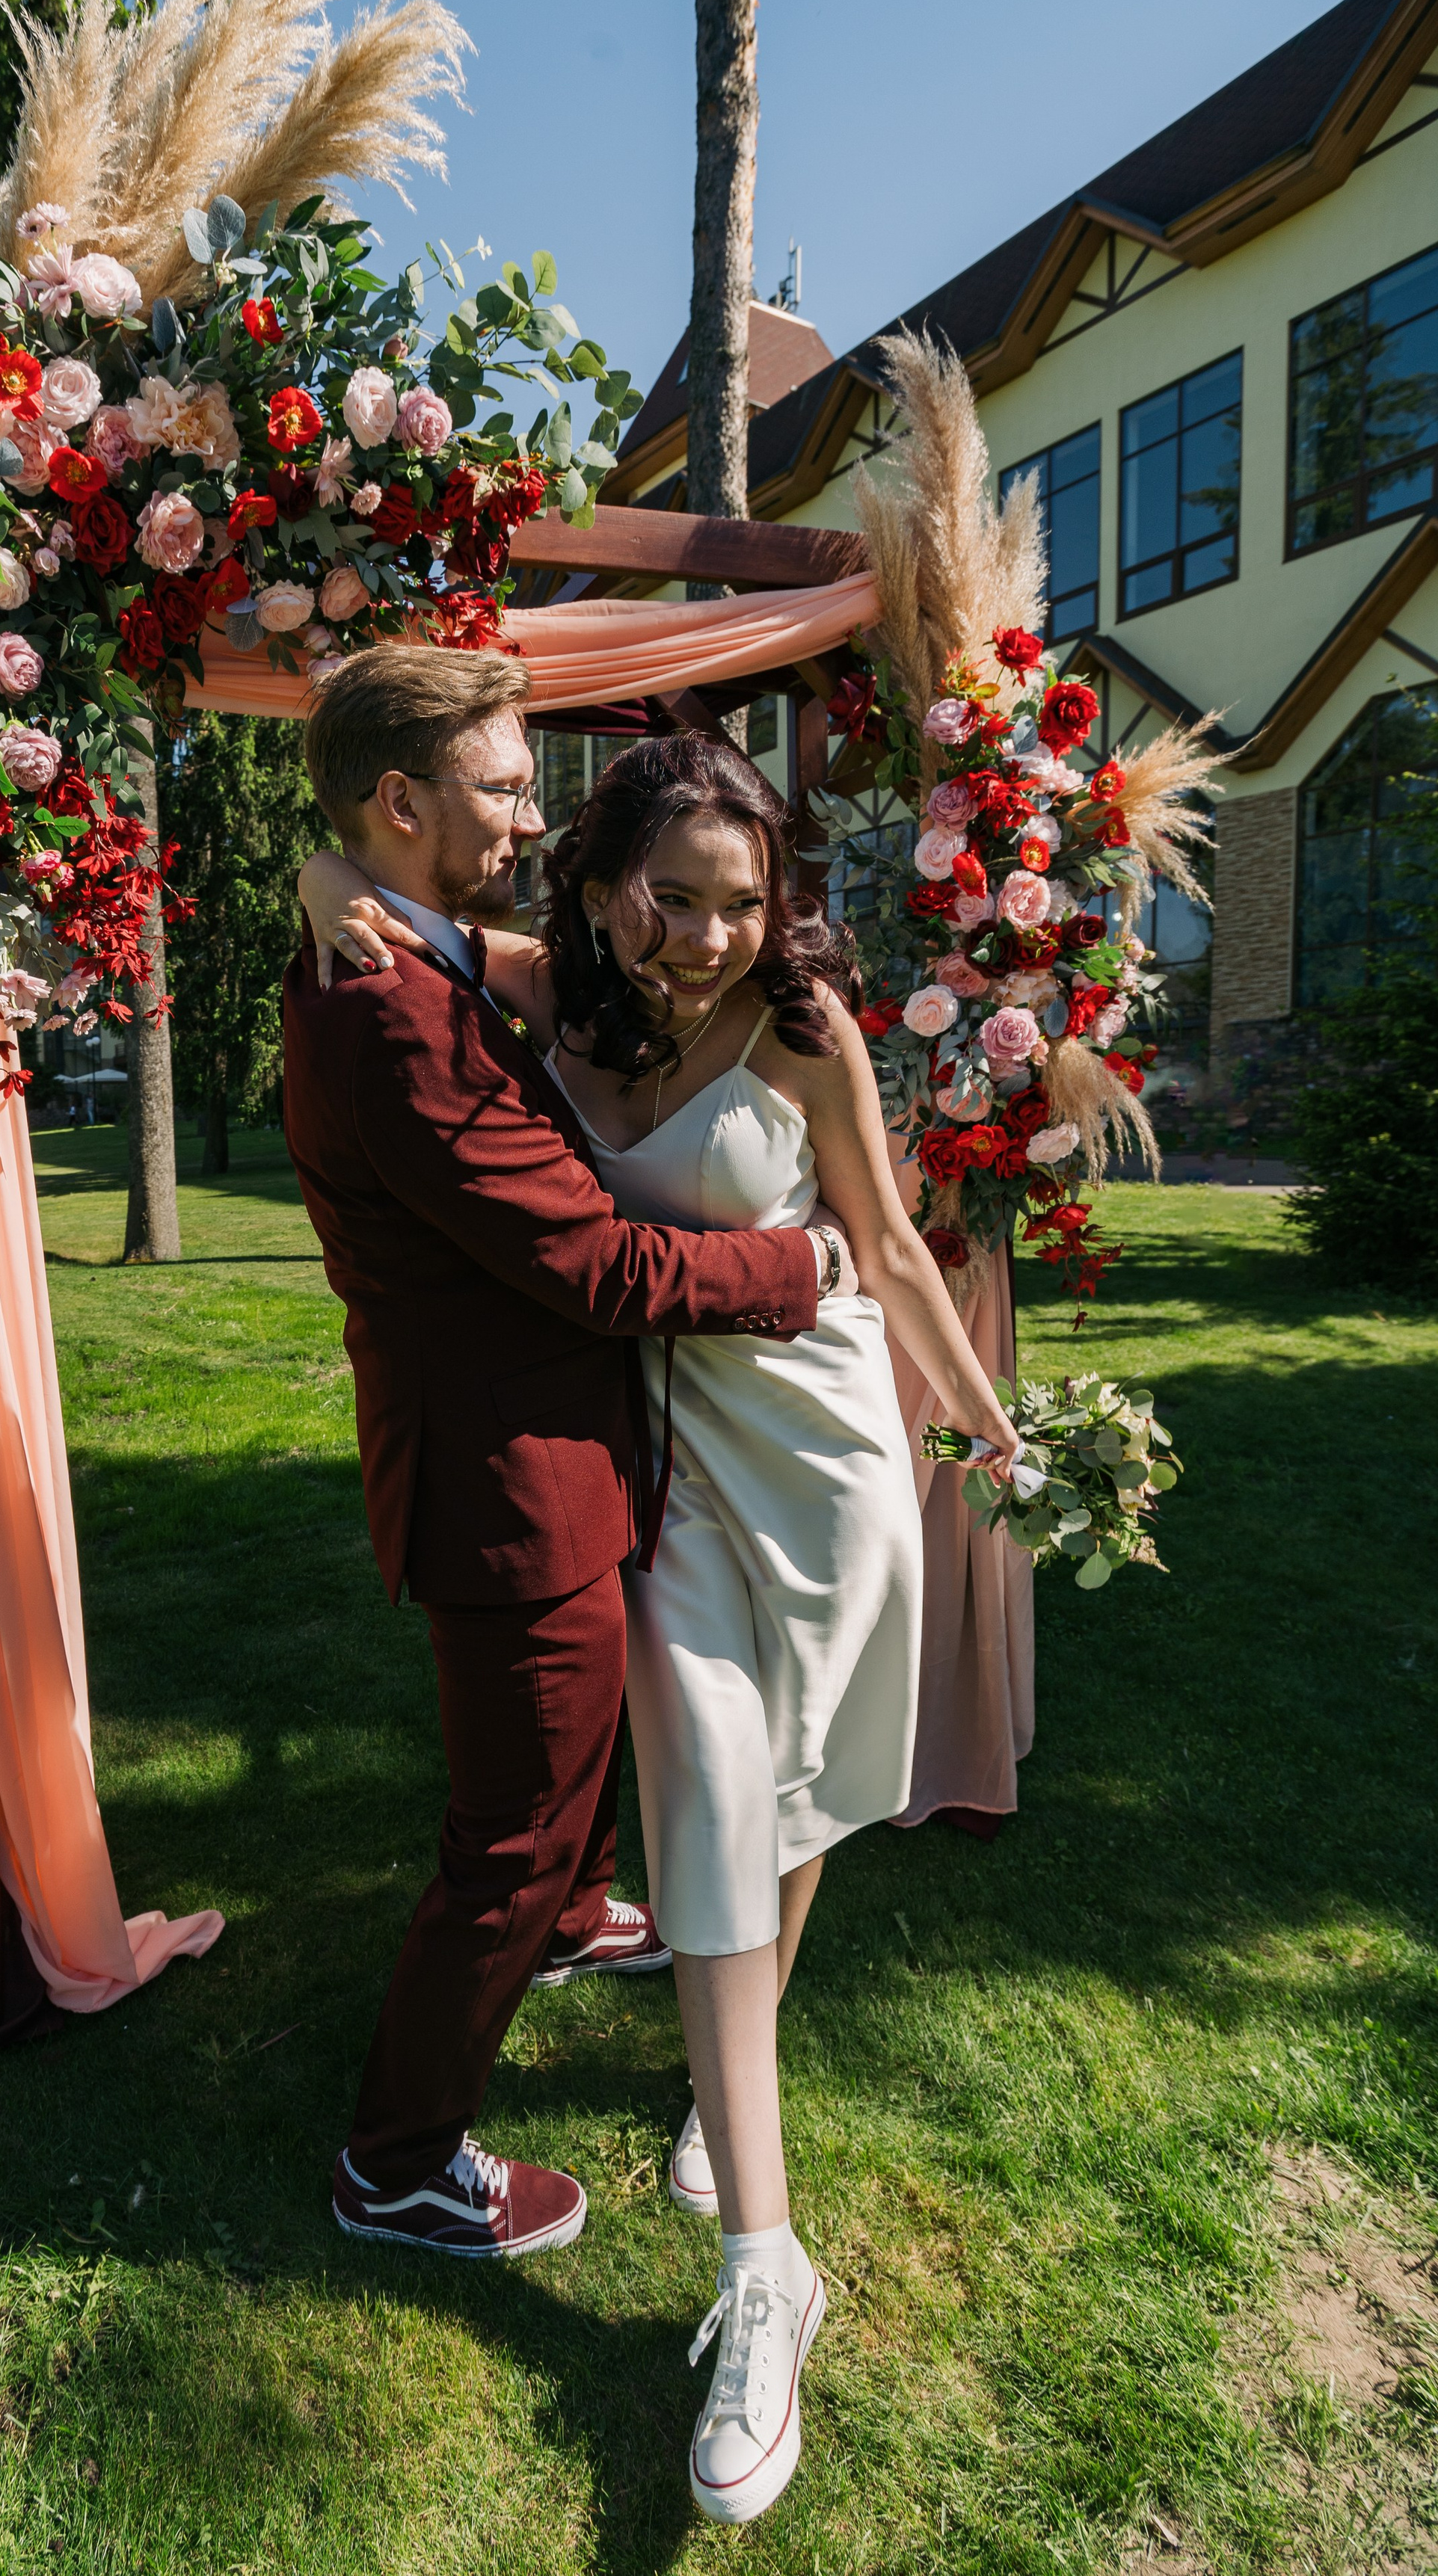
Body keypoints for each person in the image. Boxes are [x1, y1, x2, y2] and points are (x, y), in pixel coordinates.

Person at [301, 728, 1016, 2529]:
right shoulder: (559, 992)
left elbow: (891, 1247)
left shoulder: (800, 1026)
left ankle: (735, 2073)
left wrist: (988, 1434)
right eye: (671, 897)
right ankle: (764, 2275)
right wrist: (312, 879)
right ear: (611, 887)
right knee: (706, 1793)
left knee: (796, 1792)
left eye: (738, 901)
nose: (702, 936)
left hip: (826, 1445)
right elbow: (397, 923)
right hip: (676, 1476)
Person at [281, 647, 836, 2291]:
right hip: (500, 1476)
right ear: (400, 803)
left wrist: (315, 866)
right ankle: (396, 2163)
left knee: (567, 1776)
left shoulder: (404, 936)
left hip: (541, 1445)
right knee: (506, 1833)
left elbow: (510, 960)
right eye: (504, 787)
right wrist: (797, 1275)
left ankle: (586, 1908)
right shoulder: (391, 1012)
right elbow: (594, 1262)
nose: (530, 814)